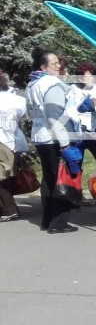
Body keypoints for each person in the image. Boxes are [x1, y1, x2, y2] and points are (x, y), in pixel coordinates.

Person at [25, 48, 80, 233]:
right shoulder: (50, 83)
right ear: (43, 66)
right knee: (60, 179)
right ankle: (58, 223)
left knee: (49, 179)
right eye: (54, 63)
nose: (58, 66)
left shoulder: (32, 83)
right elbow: (54, 115)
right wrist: (65, 144)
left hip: (40, 136)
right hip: (54, 137)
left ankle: (47, 219)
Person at [0, 70, 28, 221]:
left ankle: (9, 210)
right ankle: (9, 208)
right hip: (13, 140)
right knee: (5, 176)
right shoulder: (16, 99)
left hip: (1, 142)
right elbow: (21, 116)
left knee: (1, 178)